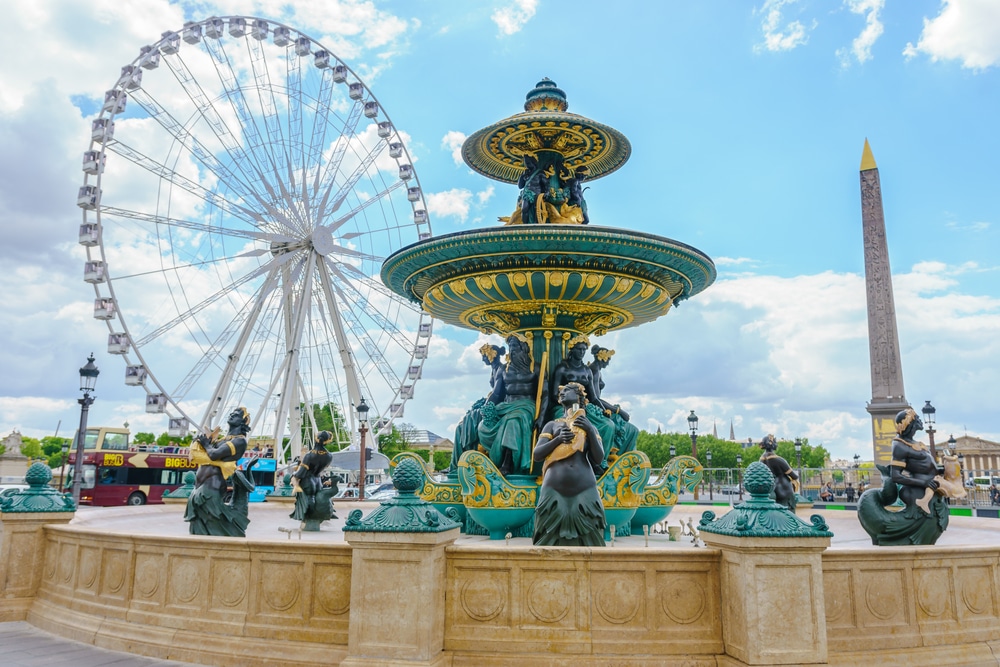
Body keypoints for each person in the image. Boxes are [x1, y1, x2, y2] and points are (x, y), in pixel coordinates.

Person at [531, 382, 606, 546]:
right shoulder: (552, 425)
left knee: (591, 538)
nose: (562, 393)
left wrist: (591, 432)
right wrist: (558, 440)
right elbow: (537, 454)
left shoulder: (589, 427)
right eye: (561, 392)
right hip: (554, 488)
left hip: (585, 488)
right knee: (546, 536)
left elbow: (598, 458)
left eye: (567, 391)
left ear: (579, 395)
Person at [545, 335, 616, 470]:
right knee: (569, 424)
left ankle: (598, 461)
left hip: (585, 406)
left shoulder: (587, 370)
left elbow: (594, 397)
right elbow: (554, 394)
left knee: (609, 425)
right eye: (579, 349)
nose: (582, 352)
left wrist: (603, 410)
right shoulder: (562, 368)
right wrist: (567, 403)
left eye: (584, 350)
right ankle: (564, 458)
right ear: (572, 350)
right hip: (563, 406)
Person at [184, 407, 257, 537]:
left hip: (210, 489)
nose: (231, 415)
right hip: (199, 488)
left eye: (236, 415)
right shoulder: (222, 440)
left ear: (243, 421)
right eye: (231, 413)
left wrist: (206, 444)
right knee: (197, 528)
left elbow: (213, 455)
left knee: (211, 525)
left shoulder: (239, 441)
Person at [478, 334, 539, 476]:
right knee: (482, 424)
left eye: (516, 346)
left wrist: (541, 416)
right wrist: (487, 407)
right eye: (510, 346)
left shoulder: (534, 368)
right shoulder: (504, 369)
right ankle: (493, 457)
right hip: (507, 405)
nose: (512, 350)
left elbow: (545, 394)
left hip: (526, 405)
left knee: (513, 421)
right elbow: (497, 393)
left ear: (524, 348)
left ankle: (508, 462)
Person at [446, 342, 506, 473]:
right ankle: (457, 463)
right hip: (492, 404)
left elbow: (496, 393)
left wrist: (484, 407)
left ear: (492, 354)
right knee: (461, 427)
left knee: (468, 423)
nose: (483, 359)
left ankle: (464, 462)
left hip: (498, 406)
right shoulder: (494, 370)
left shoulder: (501, 369)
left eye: (484, 356)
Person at [587, 345, 638, 461]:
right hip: (593, 409)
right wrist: (618, 411)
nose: (608, 363)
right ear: (602, 358)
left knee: (631, 429)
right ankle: (615, 461)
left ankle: (622, 459)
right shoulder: (594, 370)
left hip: (598, 407)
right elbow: (595, 399)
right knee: (631, 430)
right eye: (608, 359)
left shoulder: (597, 371)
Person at [290, 431, 338, 529]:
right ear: (327, 441)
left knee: (308, 501)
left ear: (316, 438)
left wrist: (294, 476)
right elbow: (322, 469)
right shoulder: (329, 456)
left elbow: (301, 472)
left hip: (308, 479)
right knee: (316, 500)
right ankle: (316, 520)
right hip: (317, 480)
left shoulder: (309, 455)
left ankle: (308, 522)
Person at [759, 434, 799, 509]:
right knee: (788, 513)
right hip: (784, 488)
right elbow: (794, 476)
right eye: (775, 442)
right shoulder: (778, 459)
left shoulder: (761, 459)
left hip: (772, 489)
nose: (776, 444)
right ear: (771, 443)